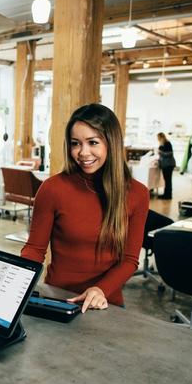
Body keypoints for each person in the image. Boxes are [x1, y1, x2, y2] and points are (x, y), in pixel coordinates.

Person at [21, 104, 149, 312]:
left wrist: (100, 289)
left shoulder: (137, 194)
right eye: (75, 143)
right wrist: (16, 280)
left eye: (93, 142)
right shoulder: (53, 189)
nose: (82, 152)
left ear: (111, 143)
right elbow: (35, 250)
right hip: (58, 299)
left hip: (105, 303)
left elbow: (129, 259)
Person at [156, 132, 176, 199]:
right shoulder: (161, 145)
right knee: (166, 180)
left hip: (168, 165)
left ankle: (168, 195)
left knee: (168, 180)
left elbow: (170, 154)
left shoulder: (167, 143)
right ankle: (166, 194)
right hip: (165, 165)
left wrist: (160, 153)